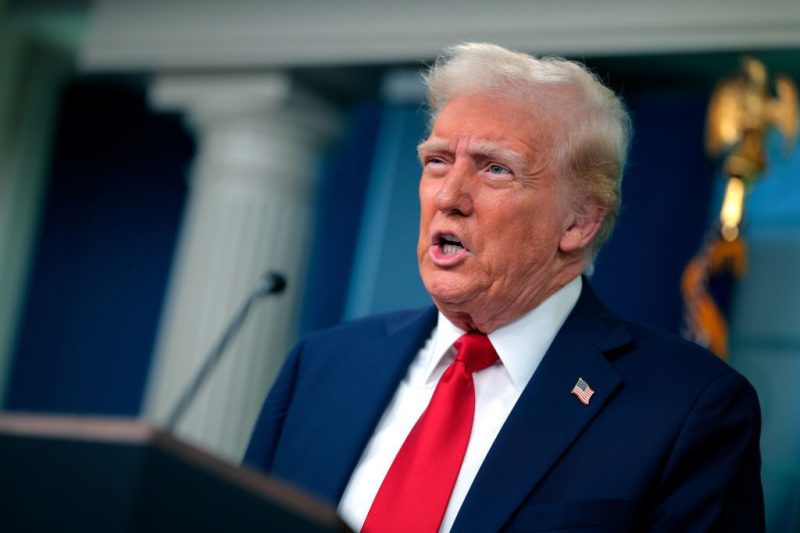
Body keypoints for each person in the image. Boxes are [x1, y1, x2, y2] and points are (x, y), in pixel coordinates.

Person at [244, 43, 764, 532]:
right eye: (437, 161)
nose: (449, 196)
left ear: (579, 222)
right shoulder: (321, 366)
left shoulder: (688, 408)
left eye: (495, 169)